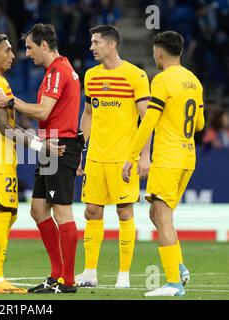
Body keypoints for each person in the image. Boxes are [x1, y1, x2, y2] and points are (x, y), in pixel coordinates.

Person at [0, 23, 83, 294]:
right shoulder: (61, 69)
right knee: (38, 209)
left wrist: (9, 101)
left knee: (62, 210)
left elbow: (42, 111)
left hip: (59, 147)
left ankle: (67, 281)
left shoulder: (57, 72)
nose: (26, 53)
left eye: (30, 47)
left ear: (44, 45)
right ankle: (56, 275)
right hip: (51, 146)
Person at [0, 32, 65, 294]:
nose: (13, 55)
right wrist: (40, 145)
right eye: (7, 51)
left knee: (9, 213)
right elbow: (5, 128)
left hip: (3, 156)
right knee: (2, 212)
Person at [122, 31, 204, 297]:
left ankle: (173, 284)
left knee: (163, 217)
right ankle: (178, 267)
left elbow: (149, 121)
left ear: (159, 53)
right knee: (156, 214)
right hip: (188, 157)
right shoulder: (194, 80)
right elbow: (200, 124)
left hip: (168, 157)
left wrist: (132, 156)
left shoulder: (162, 80)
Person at [74, 25, 151, 289]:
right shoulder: (91, 75)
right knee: (91, 211)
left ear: (111, 45)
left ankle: (124, 275)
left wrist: (144, 155)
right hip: (96, 157)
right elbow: (88, 114)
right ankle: (90, 273)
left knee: (124, 211)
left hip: (123, 159)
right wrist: (81, 152)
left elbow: (146, 118)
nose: (91, 47)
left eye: (95, 42)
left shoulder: (136, 75)